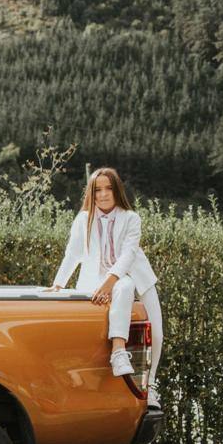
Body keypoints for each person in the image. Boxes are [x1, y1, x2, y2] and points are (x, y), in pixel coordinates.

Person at [48, 167, 163, 410]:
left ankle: (150, 386)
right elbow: (73, 254)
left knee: (157, 332)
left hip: (135, 275)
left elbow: (129, 254)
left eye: (108, 188)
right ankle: (118, 353)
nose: (103, 194)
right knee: (118, 294)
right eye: (97, 189)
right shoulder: (83, 219)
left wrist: (110, 282)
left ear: (117, 190)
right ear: (91, 193)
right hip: (98, 280)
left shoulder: (131, 218)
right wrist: (58, 284)